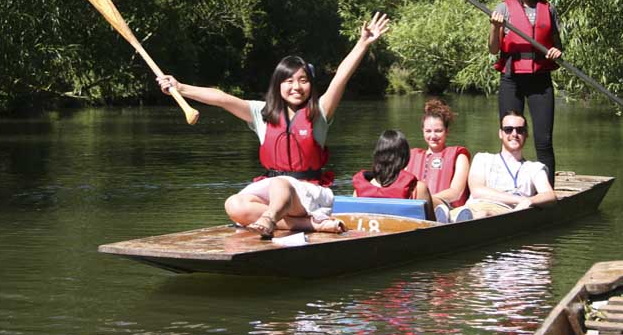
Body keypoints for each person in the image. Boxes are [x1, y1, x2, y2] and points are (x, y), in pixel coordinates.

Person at [157, 12, 390, 239]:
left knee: (280, 184)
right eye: (289, 81)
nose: (296, 87)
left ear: (311, 85)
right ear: (278, 85)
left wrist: (363, 43)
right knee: (234, 204)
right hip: (275, 191)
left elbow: (340, 78)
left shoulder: (319, 113)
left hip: (310, 194)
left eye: (303, 81)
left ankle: (271, 220)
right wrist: (180, 87)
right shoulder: (261, 113)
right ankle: (309, 225)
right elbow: (221, 97)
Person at [488, 0, 563, 185]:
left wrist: (555, 51)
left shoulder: (548, 9)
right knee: (511, 135)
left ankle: (547, 191)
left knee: (543, 140)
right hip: (512, 79)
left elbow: (558, 46)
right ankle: (509, 186)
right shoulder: (503, 8)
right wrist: (495, 26)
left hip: (540, 80)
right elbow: (493, 49)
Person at [450, 111, 556, 221]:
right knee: (450, 212)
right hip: (472, 207)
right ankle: (447, 220)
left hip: (503, 212)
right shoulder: (482, 158)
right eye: (508, 130)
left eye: (520, 130)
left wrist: (529, 201)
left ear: (526, 134)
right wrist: (520, 199)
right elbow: (477, 191)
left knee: (483, 214)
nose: (514, 134)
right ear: (500, 133)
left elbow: (549, 195)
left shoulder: (534, 168)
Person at [405, 98, 471, 223]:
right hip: (414, 207)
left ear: (447, 131)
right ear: (423, 132)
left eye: (438, 131)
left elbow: (456, 192)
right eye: (428, 131)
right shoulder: (411, 155)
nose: (433, 136)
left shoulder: (459, 156)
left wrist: (427, 200)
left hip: (448, 208)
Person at [352, 130, 434, 220]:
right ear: (405, 157)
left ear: (377, 155)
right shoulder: (417, 189)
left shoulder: (359, 190)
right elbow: (433, 227)